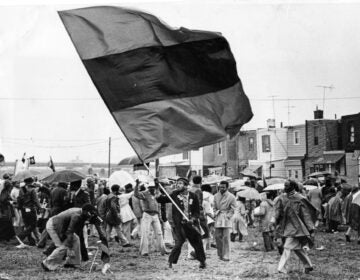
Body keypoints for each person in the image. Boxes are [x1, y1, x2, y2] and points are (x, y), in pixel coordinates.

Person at [157, 177, 206, 269]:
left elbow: (197, 211)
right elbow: (161, 199)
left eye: (180, 183)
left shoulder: (193, 196)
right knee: (179, 243)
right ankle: (170, 262)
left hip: (191, 224)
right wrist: (157, 186)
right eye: (177, 183)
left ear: (186, 186)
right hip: (179, 224)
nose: (177, 185)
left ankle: (202, 261)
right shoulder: (174, 194)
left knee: (197, 242)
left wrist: (193, 219)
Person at [273, 180, 317, 274]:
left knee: (287, 246)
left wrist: (311, 228)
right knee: (298, 249)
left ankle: (282, 268)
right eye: (284, 185)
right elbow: (278, 212)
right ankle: (308, 265)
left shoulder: (300, 198)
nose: (285, 187)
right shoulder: (282, 198)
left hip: (297, 227)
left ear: (293, 186)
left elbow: (306, 215)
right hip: (286, 226)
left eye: (287, 185)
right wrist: (275, 221)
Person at [41, 204, 100, 271]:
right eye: (90, 214)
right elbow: (69, 232)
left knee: (76, 239)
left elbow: (79, 235)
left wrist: (84, 256)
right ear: (85, 211)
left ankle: (72, 263)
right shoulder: (76, 216)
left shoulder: (81, 213)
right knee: (62, 247)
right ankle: (47, 263)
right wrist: (70, 248)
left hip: (62, 227)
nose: (90, 216)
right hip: (54, 226)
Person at [134, 180, 168, 256]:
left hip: (155, 215)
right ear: (148, 187)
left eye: (153, 187)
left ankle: (163, 250)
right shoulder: (144, 193)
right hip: (147, 215)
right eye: (151, 188)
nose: (152, 189)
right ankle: (144, 251)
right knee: (145, 233)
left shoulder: (156, 192)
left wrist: (157, 184)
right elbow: (136, 194)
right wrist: (136, 185)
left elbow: (159, 191)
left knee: (159, 233)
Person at [213, 180, 236, 261]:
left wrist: (228, 216)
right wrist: (215, 213)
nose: (221, 188)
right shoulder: (215, 196)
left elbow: (233, 209)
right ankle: (220, 254)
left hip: (226, 217)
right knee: (217, 237)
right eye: (220, 187)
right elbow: (214, 207)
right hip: (218, 216)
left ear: (227, 187)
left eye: (223, 187)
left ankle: (226, 255)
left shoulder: (231, 197)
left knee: (226, 237)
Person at [17, 176, 41, 246]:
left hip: (23, 209)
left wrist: (19, 207)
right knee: (33, 225)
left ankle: (31, 241)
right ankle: (21, 236)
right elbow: (36, 200)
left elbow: (19, 199)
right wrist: (40, 208)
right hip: (30, 208)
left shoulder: (21, 189)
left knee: (27, 225)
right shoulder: (32, 190)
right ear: (31, 182)